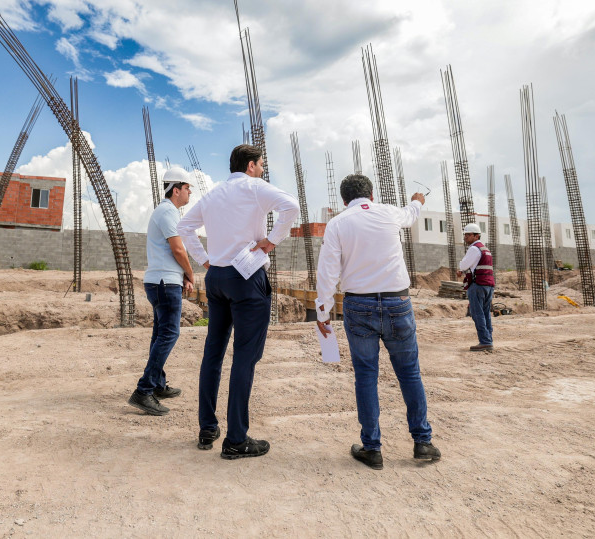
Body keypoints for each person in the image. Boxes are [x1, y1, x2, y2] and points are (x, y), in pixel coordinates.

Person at [178, 144, 299, 459]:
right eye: (260, 165)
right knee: (245, 357)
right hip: (246, 275)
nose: (261, 170)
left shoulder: (213, 194)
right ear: (250, 166)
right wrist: (271, 241)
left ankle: (207, 427)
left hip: (217, 277)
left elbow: (184, 227)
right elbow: (292, 207)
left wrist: (206, 260)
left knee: (213, 353)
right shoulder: (255, 187)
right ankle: (236, 439)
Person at [315, 174, 440, 470]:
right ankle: (422, 442)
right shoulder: (388, 212)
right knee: (409, 373)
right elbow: (411, 215)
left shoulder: (338, 224)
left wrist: (323, 313)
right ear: (371, 194)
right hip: (398, 302)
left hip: (358, 305)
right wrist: (417, 200)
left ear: (344, 200)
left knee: (366, 376)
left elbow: (327, 272)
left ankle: (372, 448)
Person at [127, 166, 197, 416]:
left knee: (160, 335)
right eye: (187, 188)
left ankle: (156, 385)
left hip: (163, 281)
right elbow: (178, 250)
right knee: (169, 334)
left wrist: (182, 277)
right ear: (175, 189)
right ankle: (144, 390)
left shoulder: (167, 212)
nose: (190, 192)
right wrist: (190, 274)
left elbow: (171, 254)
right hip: (164, 284)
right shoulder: (167, 212)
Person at [457, 222, 495, 350]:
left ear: (476, 236)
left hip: (478, 285)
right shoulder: (486, 249)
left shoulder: (474, 249)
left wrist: (461, 268)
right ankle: (488, 339)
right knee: (485, 313)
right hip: (488, 285)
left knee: (477, 313)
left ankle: (485, 341)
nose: (465, 237)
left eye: (468, 235)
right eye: (465, 234)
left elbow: (463, 265)